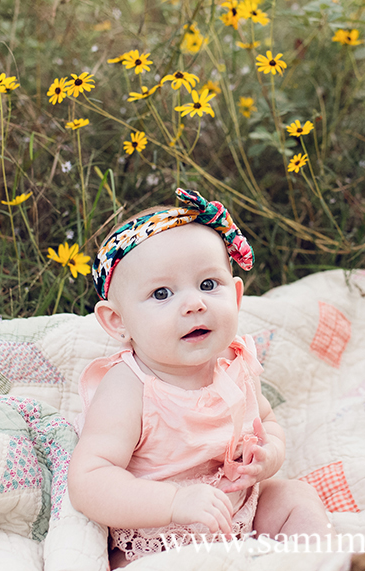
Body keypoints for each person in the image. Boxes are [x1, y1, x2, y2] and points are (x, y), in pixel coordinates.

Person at [67, 188, 333, 566]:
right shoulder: (128, 388)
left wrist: (265, 456)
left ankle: (325, 563)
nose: (195, 303)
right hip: (158, 534)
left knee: (296, 499)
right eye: (162, 293)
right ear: (118, 321)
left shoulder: (234, 362)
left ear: (237, 297)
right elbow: (89, 480)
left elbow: (267, 422)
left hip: (239, 512)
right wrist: (175, 503)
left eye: (209, 285)